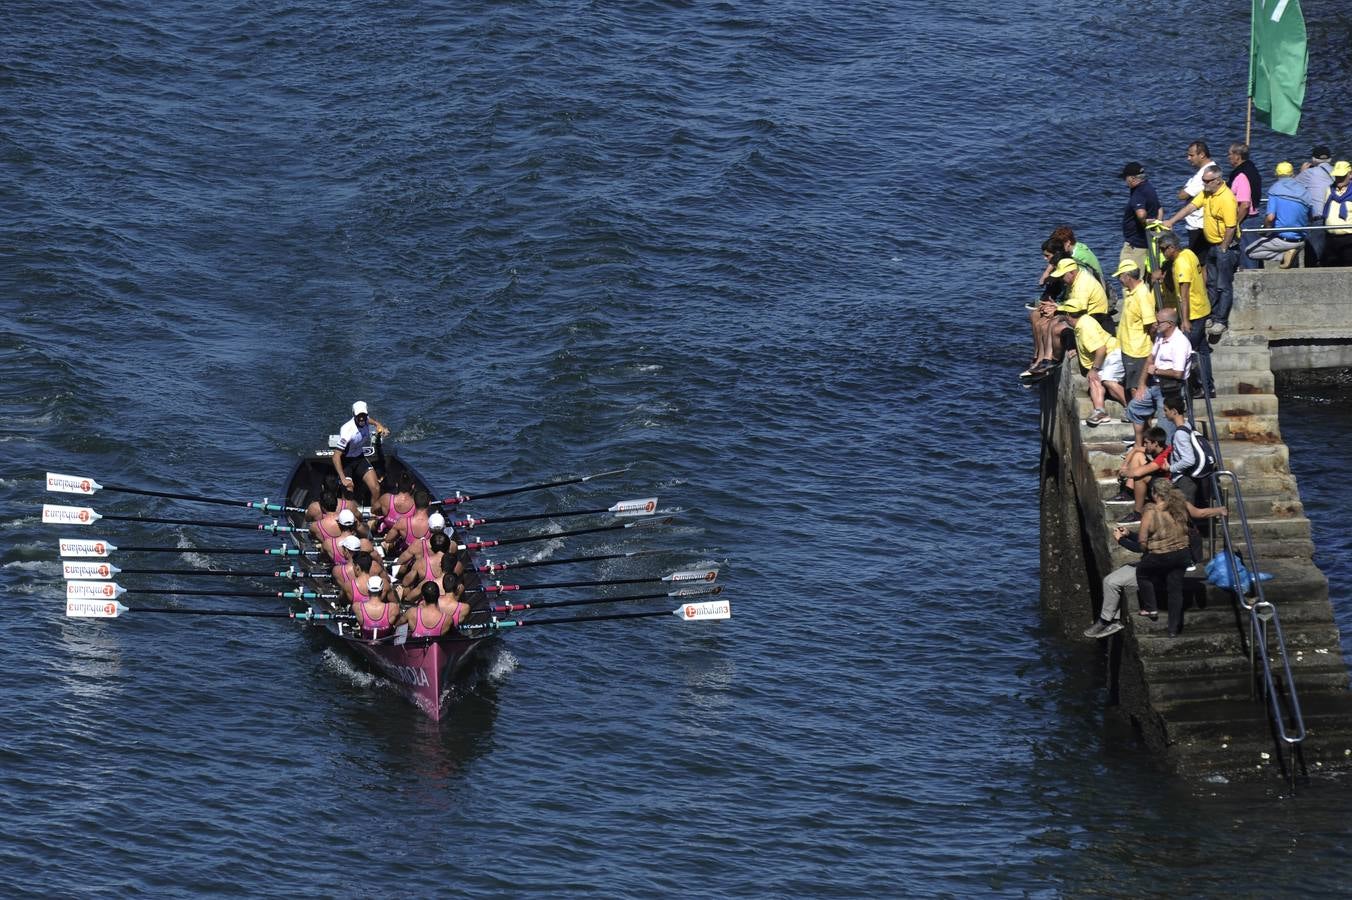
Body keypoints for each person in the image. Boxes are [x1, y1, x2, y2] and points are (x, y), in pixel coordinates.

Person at [1133, 480, 1226, 636]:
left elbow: (1142, 541)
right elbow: (1200, 513)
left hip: (1159, 556)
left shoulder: (1150, 512)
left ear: (1155, 494)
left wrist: (1144, 550)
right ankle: (1173, 629)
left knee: (1142, 573)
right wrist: (1220, 510)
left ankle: (1151, 608)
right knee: (1175, 590)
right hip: (1181, 555)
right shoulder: (1181, 504)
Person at [1161, 164, 1238, 342]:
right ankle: (1210, 314)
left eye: (1207, 181)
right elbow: (1191, 207)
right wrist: (1172, 220)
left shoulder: (1226, 198)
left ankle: (1221, 320)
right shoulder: (1208, 193)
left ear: (1218, 180)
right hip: (1211, 244)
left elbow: (1231, 227)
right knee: (1210, 282)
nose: (1204, 184)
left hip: (1225, 245)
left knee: (1223, 284)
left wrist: (1224, 247)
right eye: (1203, 181)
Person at [1058, 277, 1127, 426]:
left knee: (1108, 380)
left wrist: (1094, 369)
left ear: (1070, 316)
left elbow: (1101, 348)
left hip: (1112, 353)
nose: (1063, 316)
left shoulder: (1084, 326)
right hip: (1106, 356)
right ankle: (1100, 411)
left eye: (1064, 313)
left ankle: (1133, 409)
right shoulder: (1083, 322)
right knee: (1094, 380)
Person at [1152, 231, 1213, 397]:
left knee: (1187, 350)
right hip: (1202, 307)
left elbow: (1183, 296)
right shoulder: (1189, 253)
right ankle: (1208, 387)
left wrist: (1185, 320)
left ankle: (1196, 387)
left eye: (1164, 249)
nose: (1163, 254)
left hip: (1193, 313)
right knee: (1202, 350)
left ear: (1172, 247)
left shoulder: (1181, 264)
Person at [1124, 306, 1192, 447]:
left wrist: (1156, 371)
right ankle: (1139, 445)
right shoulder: (1161, 336)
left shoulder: (1179, 343)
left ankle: (1166, 459)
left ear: (1170, 324)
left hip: (1171, 389)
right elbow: (1150, 359)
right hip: (1155, 385)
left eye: (1159, 322)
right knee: (1134, 407)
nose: (1156, 324)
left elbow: (1178, 373)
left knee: (1165, 430)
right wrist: (1141, 384)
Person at [1246, 162, 1309, 268]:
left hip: (1284, 240)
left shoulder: (1275, 190)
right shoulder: (1303, 190)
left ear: (1276, 175)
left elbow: (1270, 218)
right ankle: (1290, 254)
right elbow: (1310, 215)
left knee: (1250, 251)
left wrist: (1265, 229)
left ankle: (1284, 255)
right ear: (1293, 174)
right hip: (1301, 239)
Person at [332, 401, 391, 507]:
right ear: (354, 414)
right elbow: (336, 456)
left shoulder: (366, 419)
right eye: (359, 416)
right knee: (348, 489)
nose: (362, 418)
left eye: (363, 415)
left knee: (376, 488)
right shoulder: (347, 431)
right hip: (346, 462)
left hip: (359, 458)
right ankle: (348, 513)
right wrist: (342, 478)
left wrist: (379, 426)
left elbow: (371, 420)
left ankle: (374, 514)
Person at [1114, 259, 1156, 396]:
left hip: (1137, 351)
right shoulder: (1131, 292)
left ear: (1128, 276)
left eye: (1121, 276)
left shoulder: (1142, 295)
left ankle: (1139, 415)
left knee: (1136, 388)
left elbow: (1152, 325)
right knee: (1132, 385)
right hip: (1128, 348)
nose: (1119, 279)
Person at [1117, 427, 1171, 524]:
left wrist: (1123, 473)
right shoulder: (1157, 448)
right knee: (1137, 455)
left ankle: (1138, 513)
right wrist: (1124, 466)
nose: (1145, 445)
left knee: (1140, 476)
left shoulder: (1164, 455)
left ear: (1155, 443)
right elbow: (1136, 449)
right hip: (1159, 477)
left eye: (1146, 443)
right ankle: (1129, 491)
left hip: (1166, 487)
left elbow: (1138, 472)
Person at [1119, 162, 1164, 275]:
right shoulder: (1149, 188)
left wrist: (1145, 222)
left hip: (1135, 246)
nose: (1125, 181)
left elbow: (1141, 214)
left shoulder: (1138, 193)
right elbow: (1160, 209)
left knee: (1129, 279)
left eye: (1126, 178)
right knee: (1146, 279)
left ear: (1133, 178)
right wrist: (1156, 225)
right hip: (1147, 243)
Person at [1296, 145, 1334, 266]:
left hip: (1319, 218)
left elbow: (1291, 186)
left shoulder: (1309, 173)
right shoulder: (1337, 172)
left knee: (1314, 257)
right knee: (1331, 256)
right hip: (1337, 218)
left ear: (1313, 160)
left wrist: (1302, 172)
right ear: (1330, 159)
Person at [1178, 140, 1217, 256]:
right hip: (1197, 224)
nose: (1188, 158)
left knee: (1201, 261)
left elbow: (1182, 195)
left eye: (1191, 155)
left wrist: (1185, 189)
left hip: (1200, 225)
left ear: (1202, 155)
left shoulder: (1207, 173)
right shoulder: (1202, 172)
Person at [1227, 143, 1263, 269]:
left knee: (1248, 255)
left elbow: (1245, 204)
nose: (1228, 157)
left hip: (1246, 219)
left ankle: (1251, 284)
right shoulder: (1251, 169)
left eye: (1230, 154)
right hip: (1251, 217)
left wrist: (1235, 223)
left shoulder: (1242, 175)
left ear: (1237, 156)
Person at [1321, 161, 1352, 267]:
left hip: (1349, 239)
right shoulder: (1329, 190)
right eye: (1337, 176)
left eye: (1342, 176)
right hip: (1330, 238)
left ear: (1350, 174)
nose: (1338, 179)